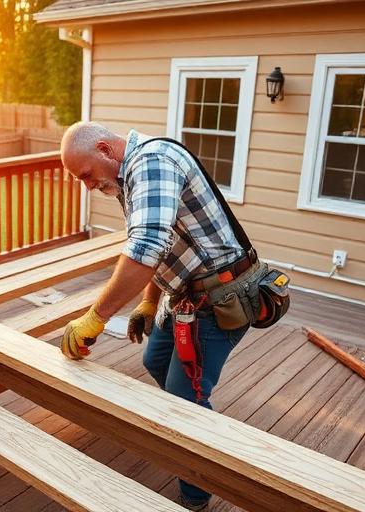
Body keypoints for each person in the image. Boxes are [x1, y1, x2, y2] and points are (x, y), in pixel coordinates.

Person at [58, 122, 257, 511]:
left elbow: (148, 245)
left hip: (219, 299)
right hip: (184, 296)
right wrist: (148, 302)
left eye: (85, 174)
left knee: (184, 401)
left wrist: (96, 317)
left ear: (104, 149)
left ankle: (196, 494)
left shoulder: (150, 161)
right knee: (156, 360)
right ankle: (188, 427)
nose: (87, 185)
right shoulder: (128, 173)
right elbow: (161, 245)